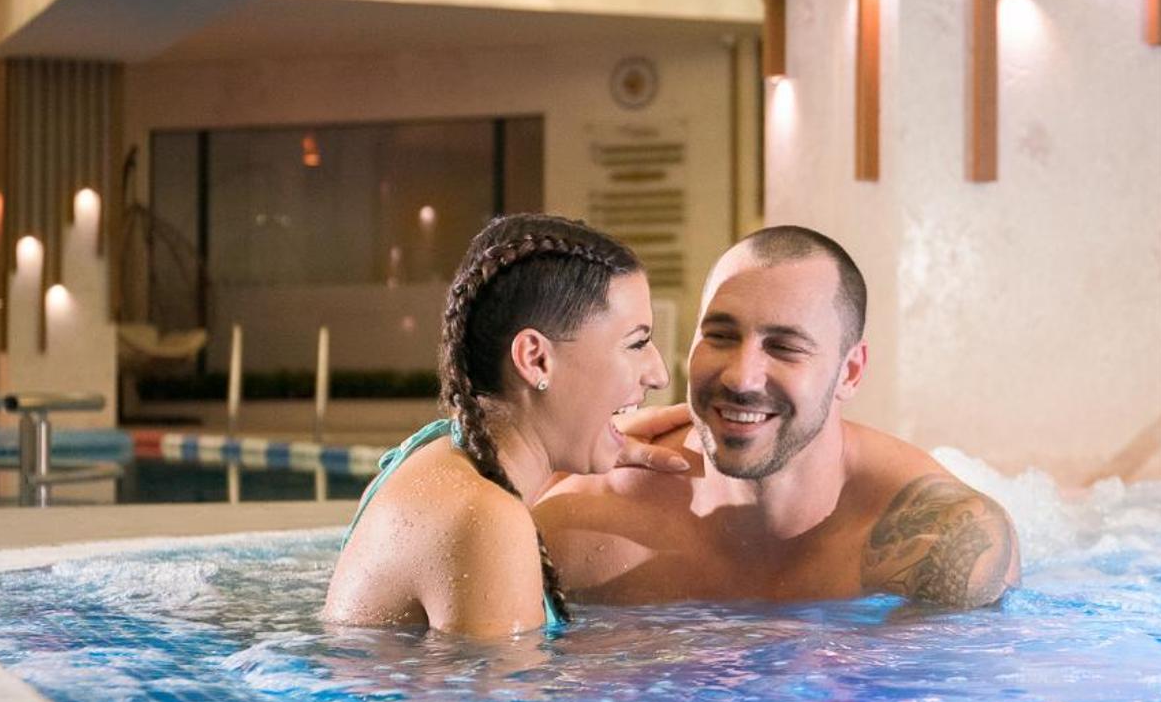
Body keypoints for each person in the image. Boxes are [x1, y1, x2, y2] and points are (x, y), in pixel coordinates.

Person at [537, 226, 1020, 609]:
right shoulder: (586, 518)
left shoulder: (940, 541)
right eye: (720, 336)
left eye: (785, 347)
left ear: (850, 372)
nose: (741, 377)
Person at [323, 214, 674, 636]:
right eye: (636, 343)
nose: (659, 375)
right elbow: (501, 683)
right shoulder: (485, 520)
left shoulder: (435, 455)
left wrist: (590, 443)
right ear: (535, 359)